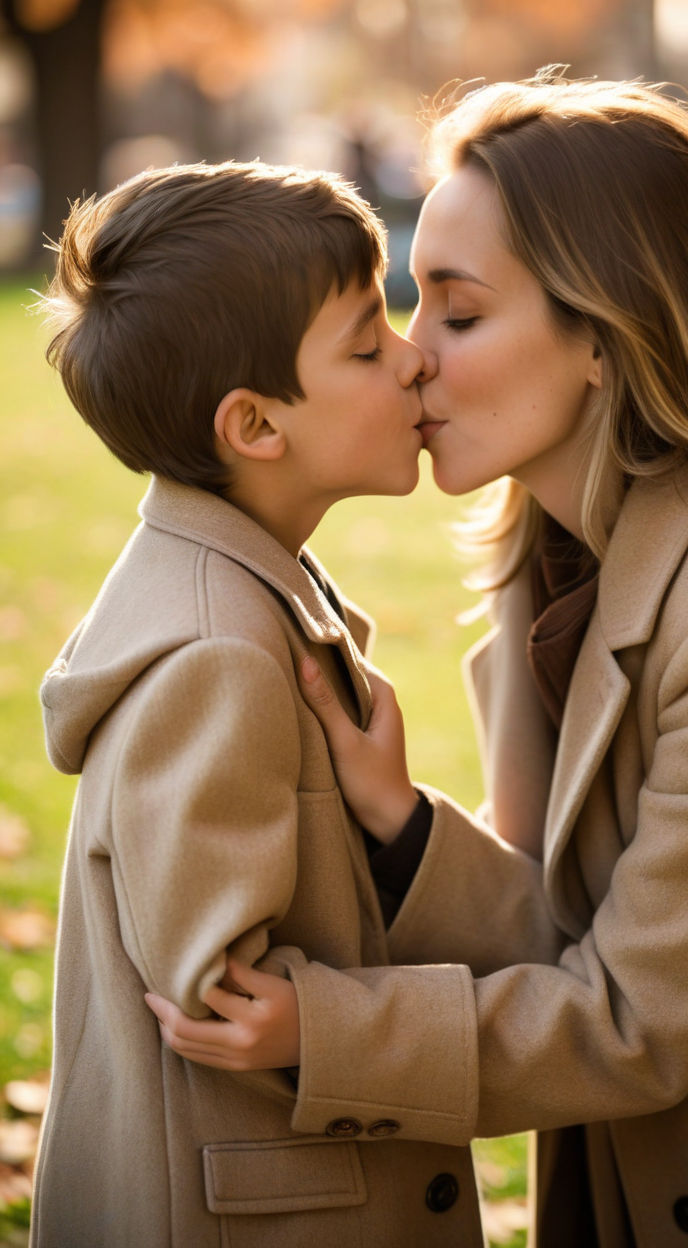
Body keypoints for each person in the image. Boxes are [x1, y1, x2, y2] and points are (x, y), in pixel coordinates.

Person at [145, 74, 688, 1247]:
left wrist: (330, 1033)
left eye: (457, 317)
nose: (410, 361)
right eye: (410, 312)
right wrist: (404, 821)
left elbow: (637, 1018)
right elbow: (575, 935)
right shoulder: (547, 548)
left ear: (611, 338)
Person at [30, 159, 538, 1248]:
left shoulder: (246, 585)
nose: (413, 360)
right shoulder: (219, 651)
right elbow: (217, 1000)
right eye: (367, 344)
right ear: (255, 426)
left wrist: (396, 815)